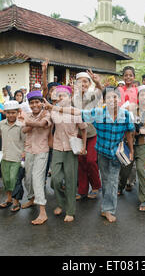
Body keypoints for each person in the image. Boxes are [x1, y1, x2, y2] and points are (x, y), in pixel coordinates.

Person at [45, 84, 135, 223]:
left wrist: (131, 150)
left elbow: (129, 132)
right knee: (106, 181)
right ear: (104, 100)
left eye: (115, 97)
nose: (113, 100)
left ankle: (108, 210)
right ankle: (106, 206)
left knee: (111, 182)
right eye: (109, 97)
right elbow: (77, 113)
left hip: (117, 154)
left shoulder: (127, 115)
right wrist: (54, 108)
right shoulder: (99, 113)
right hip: (102, 152)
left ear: (120, 98)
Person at [46, 85, 87, 222]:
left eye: (63, 95)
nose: (60, 98)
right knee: (55, 180)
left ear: (70, 98)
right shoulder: (54, 112)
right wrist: (50, 140)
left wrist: (84, 146)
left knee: (70, 180)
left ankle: (70, 210)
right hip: (57, 147)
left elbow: (83, 129)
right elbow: (50, 127)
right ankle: (61, 203)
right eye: (58, 96)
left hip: (71, 149)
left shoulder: (75, 112)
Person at [119, 85, 145, 211]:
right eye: (142, 95)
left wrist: (141, 130)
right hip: (128, 144)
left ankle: (144, 199)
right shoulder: (131, 108)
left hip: (141, 144)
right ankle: (120, 186)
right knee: (125, 169)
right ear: (138, 97)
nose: (144, 97)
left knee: (140, 170)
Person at [22, 91, 52, 225]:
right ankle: (32, 198)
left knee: (37, 178)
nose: (34, 105)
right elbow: (24, 130)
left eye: (37, 102)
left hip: (42, 150)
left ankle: (42, 212)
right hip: (29, 150)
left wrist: (29, 122)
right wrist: (32, 122)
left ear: (41, 103)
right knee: (28, 178)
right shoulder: (29, 114)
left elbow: (43, 125)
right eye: (31, 103)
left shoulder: (47, 114)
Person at [0, 100, 26, 212]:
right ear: (5, 113)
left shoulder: (21, 126)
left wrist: (24, 153)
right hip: (5, 156)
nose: (11, 115)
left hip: (17, 157)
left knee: (14, 180)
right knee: (6, 180)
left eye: (13, 113)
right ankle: (9, 199)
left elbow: (25, 141)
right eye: (8, 113)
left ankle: (16, 202)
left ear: (17, 112)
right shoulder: (1, 124)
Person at [72, 71, 103, 200]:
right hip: (79, 134)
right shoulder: (73, 98)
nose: (82, 84)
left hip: (92, 133)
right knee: (81, 162)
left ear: (89, 83)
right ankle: (82, 190)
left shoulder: (92, 95)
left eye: (85, 81)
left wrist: (97, 82)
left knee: (91, 160)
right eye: (80, 81)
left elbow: (100, 90)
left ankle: (96, 186)